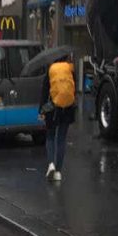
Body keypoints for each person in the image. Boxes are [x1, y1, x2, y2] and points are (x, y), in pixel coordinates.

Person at [40, 52, 77, 182]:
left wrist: (42, 111)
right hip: (67, 108)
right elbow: (74, 89)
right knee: (61, 139)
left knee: (50, 137)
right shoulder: (69, 69)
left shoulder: (51, 71)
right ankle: (59, 172)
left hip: (52, 109)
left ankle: (51, 164)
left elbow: (44, 92)